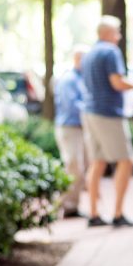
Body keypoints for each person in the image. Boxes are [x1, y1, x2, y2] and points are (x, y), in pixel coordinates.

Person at [81, 15, 133, 228]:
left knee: (98, 162)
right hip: (108, 113)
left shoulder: (89, 54)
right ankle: (118, 214)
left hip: (90, 112)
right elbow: (117, 83)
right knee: (125, 161)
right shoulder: (111, 51)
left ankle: (93, 213)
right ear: (109, 33)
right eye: (118, 31)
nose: (119, 36)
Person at [54, 46, 88, 218]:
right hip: (69, 127)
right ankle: (66, 206)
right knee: (73, 166)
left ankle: (71, 205)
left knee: (78, 167)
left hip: (77, 127)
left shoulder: (80, 78)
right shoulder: (69, 80)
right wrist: (90, 110)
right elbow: (72, 106)